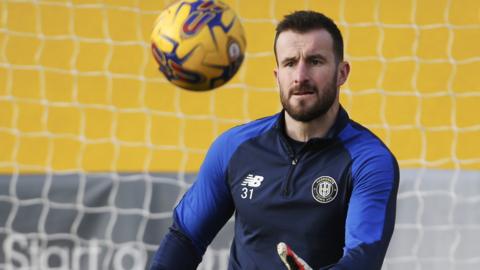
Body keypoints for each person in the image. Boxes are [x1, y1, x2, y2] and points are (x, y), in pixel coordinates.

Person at [149, 10, 399, 270]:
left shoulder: (369, 160)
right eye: (290, 63)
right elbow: (185, 239)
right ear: (277, 75)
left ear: (342, 73)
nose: (300, 76)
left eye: (315, 61)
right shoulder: (233, 147)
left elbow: (364, 257)